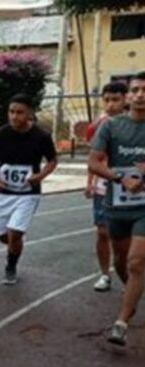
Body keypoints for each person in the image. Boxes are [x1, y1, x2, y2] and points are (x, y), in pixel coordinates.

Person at [88, 72, 145, 347]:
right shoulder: (111, 126)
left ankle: (121, 322)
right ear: (129, 95)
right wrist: (121, 178)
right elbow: (94, 162)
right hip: (118, 205)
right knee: (122, 262)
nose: (140, 95)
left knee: (136, 261)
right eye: (136, 90)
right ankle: (133, 292)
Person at [0, 94, 58, 285]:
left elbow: (52, 161)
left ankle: (11, 266)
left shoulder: (41, 136)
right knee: (3, 236)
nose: (14, 116)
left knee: (14, 232)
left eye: (19, 112)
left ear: (30, 113)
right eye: (11, 112)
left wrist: (40, 176)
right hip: (4, 193)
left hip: (28, 193)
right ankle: (15, 243)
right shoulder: (0, 134)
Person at [85, 81, 129, 292]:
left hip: (131, 188)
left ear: (125, 100)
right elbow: (94, 158)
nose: (111, 105)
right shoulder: (98, 126)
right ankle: (105, 274)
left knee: (127, 238)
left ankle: (130, 273)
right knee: (102, 233)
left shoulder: (134, 124)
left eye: (115, 100)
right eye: (107, 100)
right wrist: (89, 183)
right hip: (103, 187)